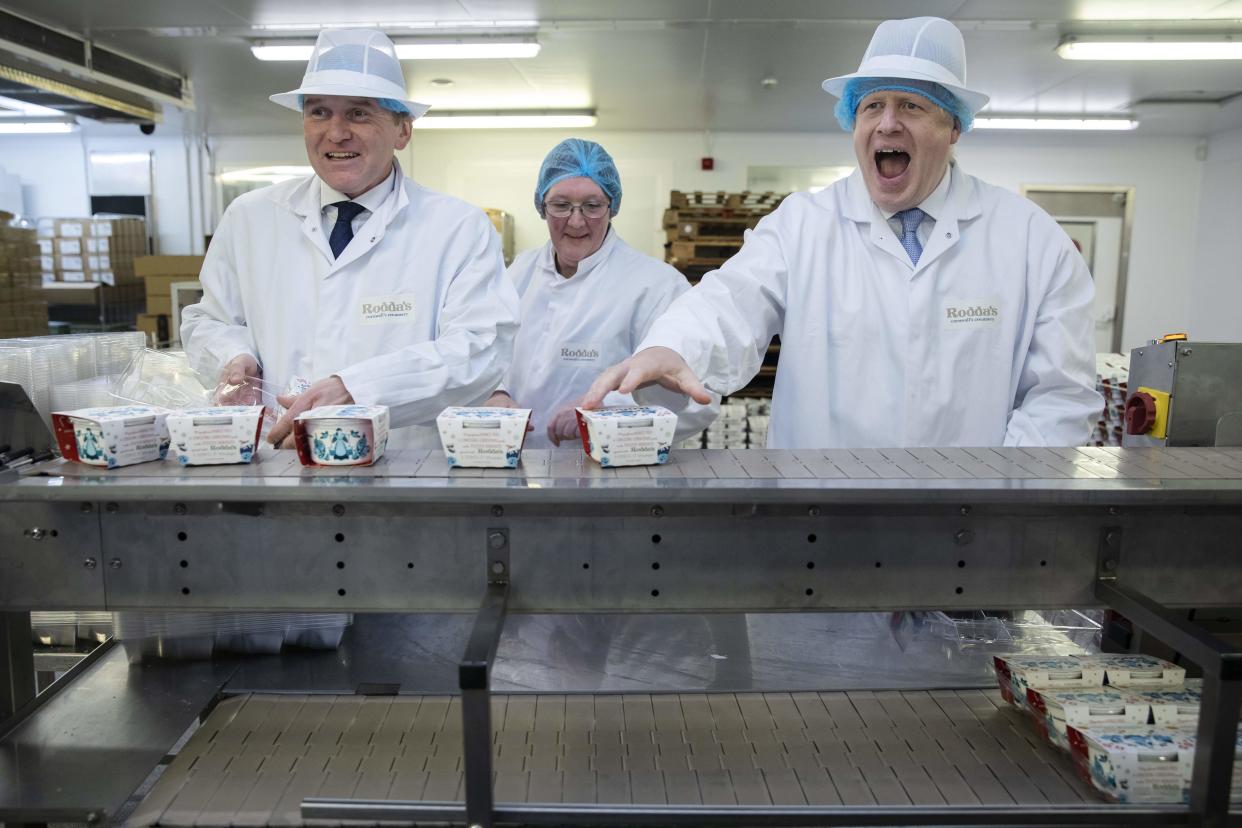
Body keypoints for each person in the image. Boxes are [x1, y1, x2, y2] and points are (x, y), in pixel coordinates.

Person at [583, 17, 1103, 448]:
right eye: (872, 106)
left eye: (912, 106)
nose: (887, 124)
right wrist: (673, 348)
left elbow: (1061, 396)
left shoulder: (1031, 241)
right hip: (819, 525)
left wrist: (998, 500)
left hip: (970, 531)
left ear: (954, 128)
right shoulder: (801, 226)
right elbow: (727, 304)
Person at [182, 29, 519, 448]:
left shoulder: (457, 228)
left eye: (359, 114)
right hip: (278, 461)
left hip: (402, 472)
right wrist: (234, 358)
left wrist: (358, 390)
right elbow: (209, 320)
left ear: (402, 130)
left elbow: (480, 349)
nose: (336, 133)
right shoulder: (250, 218)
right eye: (319, 112)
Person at [486, 139, 716, 447]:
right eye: (561, 205)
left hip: (610, 475)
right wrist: (496, 391)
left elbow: (701, 396)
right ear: (542, 206)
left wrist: (604, 416)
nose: (577, 220)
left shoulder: (655, 285)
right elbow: (486, 352)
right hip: (519, 467)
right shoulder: (518, 275)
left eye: (592, 206)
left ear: (612, 207)